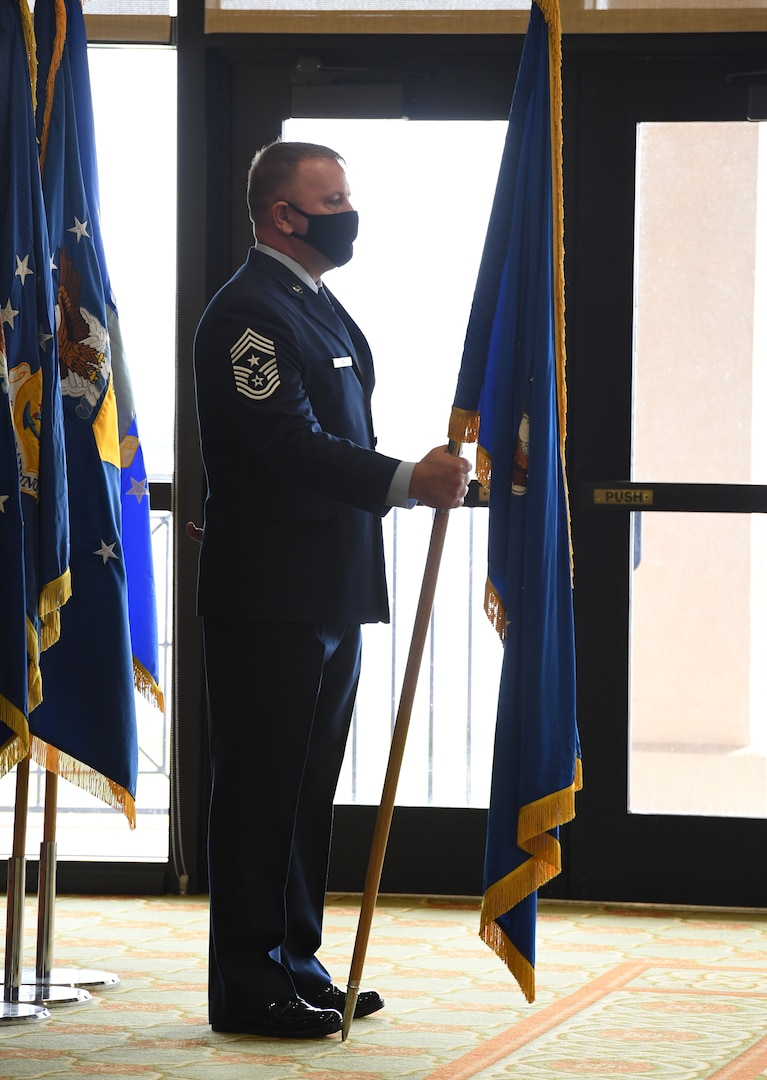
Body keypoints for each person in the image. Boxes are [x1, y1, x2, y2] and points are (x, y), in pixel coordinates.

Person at [193, 140, 471, 1039]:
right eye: (336, 198)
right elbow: (285, 445)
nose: (350, 212)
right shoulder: (247, 315)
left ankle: (296, 964)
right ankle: (248, 983)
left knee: (306, 790)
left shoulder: (315, 306)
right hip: (270, 594)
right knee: (261, 792)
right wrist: (403, 480)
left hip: (327, 585)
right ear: (284, 215)